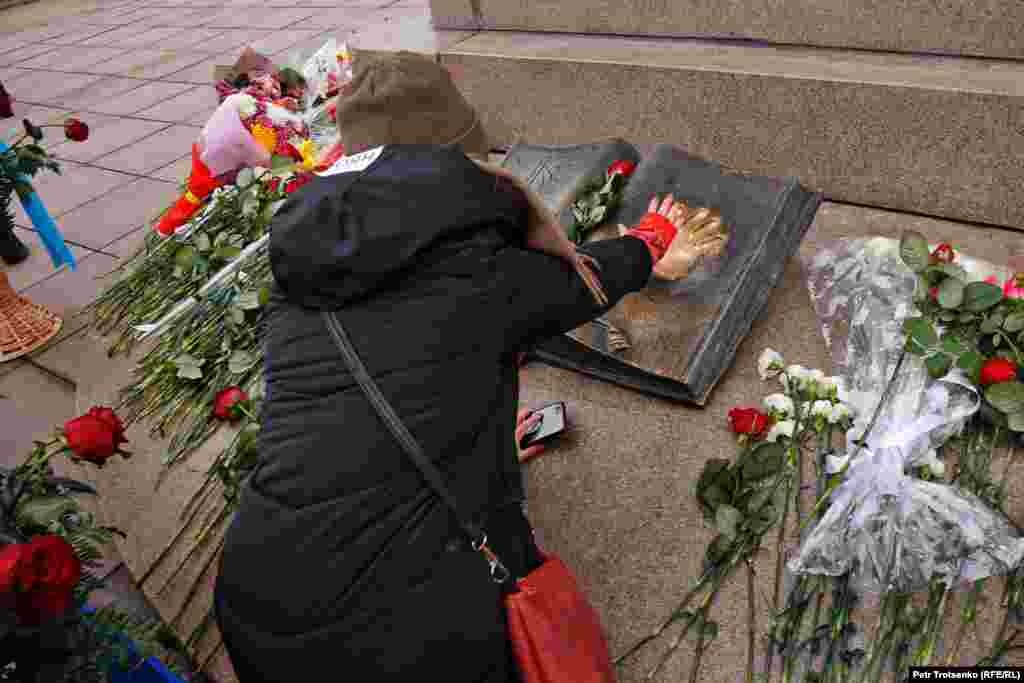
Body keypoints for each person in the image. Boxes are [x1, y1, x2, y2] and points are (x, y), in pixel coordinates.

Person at [213, 51, 728, 682]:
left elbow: (371, 393)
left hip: (255, 599)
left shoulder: (305, 273)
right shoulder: (473, 270)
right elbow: (577, 284)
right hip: (388, 637)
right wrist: (650, 243)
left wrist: (471, 435)